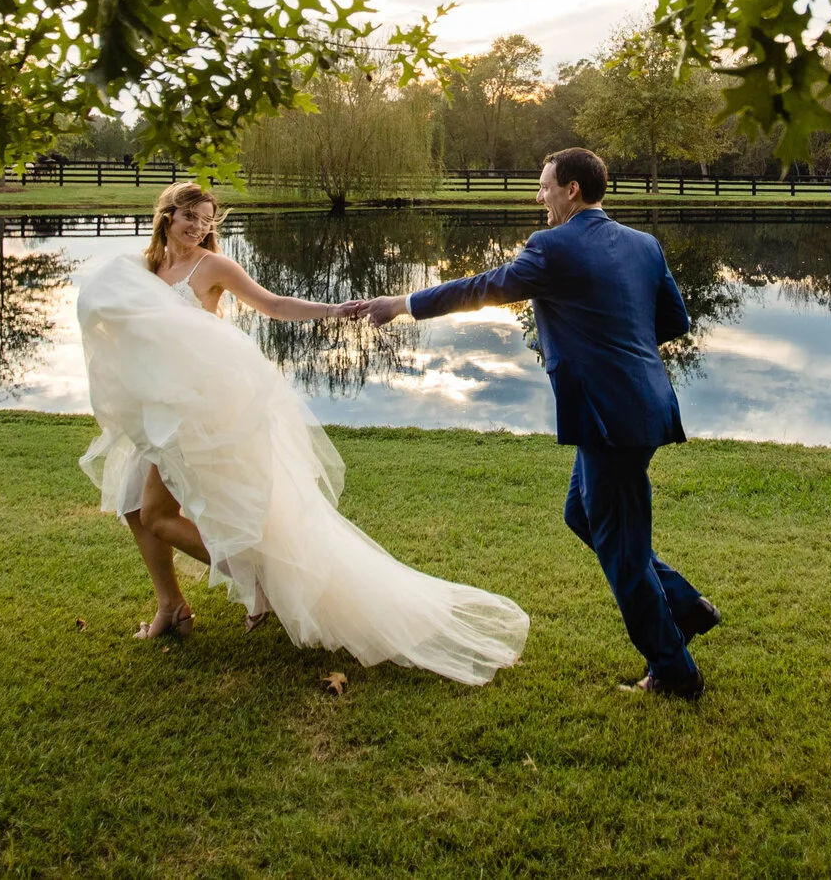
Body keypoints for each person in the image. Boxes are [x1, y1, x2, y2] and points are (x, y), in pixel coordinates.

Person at [74, 181, 528, 685]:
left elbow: (272, 305)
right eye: (192, 218)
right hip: (153, 405)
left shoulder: (213, 267)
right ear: (167, 214)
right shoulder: (143, 269)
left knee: (156, 514)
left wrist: (333, 311)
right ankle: (172, 608)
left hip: (196, 410)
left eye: (207, 221)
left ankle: (262, 578)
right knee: (135, 508)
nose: (200, 228)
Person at [356, 148, 718, 700]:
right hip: (641, 405)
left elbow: (480, 287)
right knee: (583, 515)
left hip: (608, 416)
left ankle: (674, 670)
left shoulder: (552, 246)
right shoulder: (643, 244)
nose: (539, 197)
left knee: (621, 550)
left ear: (571, 190)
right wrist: (617, 353)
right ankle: (685, 606)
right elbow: (672, 320)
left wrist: (402, 303)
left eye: (545, 187)